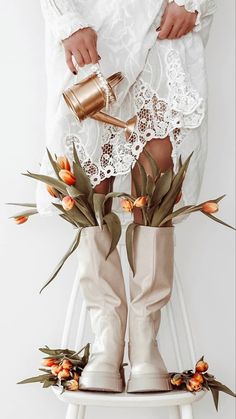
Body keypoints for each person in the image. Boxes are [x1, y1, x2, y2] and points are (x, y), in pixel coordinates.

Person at [38, 0, 216, 393]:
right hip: (94, 24)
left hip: (163, 21)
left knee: (156, 169)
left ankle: (145, 343)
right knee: (90, 169)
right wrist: (67, 19)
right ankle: (107, 340)